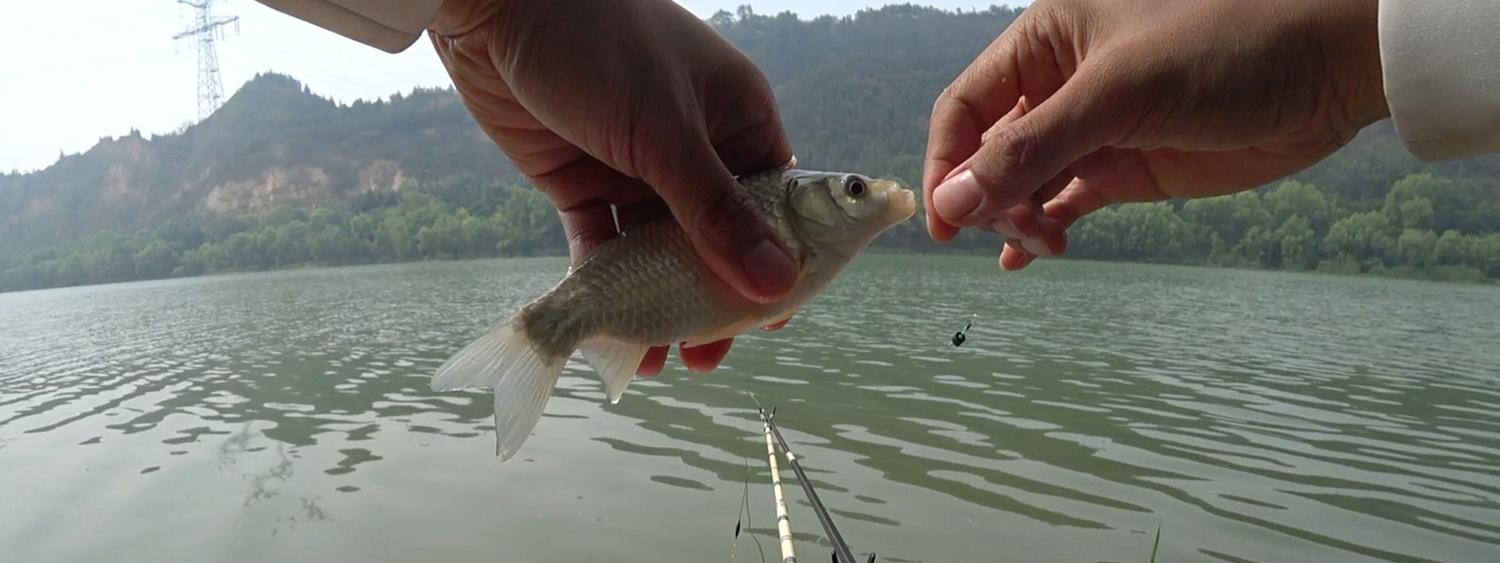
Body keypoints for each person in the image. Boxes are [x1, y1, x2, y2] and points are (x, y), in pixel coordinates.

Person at [260, 0, 1500, 359]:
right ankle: (548, 333)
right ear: (805, 208)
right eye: (850, 190)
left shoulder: (796, 241)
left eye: (857, 190)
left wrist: (1348, 54)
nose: (873, 197)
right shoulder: (779, 232)